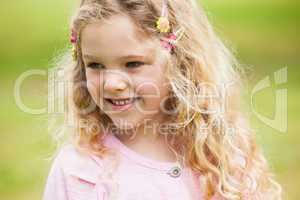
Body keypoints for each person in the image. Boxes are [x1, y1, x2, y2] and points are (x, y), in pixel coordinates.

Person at [43, 0, 281, 199]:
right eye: (95, 65)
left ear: (179, 63)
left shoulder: (221, 158)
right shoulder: (79, 172)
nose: (112, 84)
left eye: (132, 64)